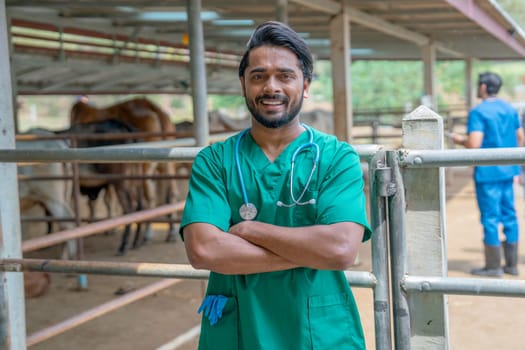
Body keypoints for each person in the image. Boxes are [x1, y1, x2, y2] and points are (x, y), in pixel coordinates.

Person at [179, 21, 372, 349]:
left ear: (306, 85)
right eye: (258, 76)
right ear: (243, 84)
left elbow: (340, 249)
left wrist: (249, 231)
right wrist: (310, 253)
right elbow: (204, 249)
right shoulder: (215, 161)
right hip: (239, 330)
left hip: (318, 332)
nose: (271, 87)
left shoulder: (336, 158)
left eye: (285, 75)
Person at [450, 71, 524, 277]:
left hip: (488, 172)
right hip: (508, 170)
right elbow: (521, 137)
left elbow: (474, 143)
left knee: (490, 217)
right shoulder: (510, 109)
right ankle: (511, 264)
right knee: (510, 215)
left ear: (483, 87)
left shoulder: (479, 112)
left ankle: (493, 266)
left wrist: (459, 140)